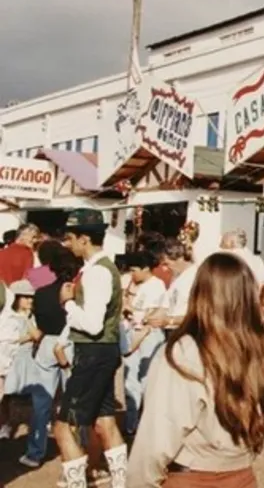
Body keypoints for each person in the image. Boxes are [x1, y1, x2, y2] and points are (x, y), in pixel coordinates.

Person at [127, 253, 264, 487]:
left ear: (200, 294)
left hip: (192, 476)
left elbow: (155, 443)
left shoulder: (185, 353)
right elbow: (262, 423)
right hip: (242, 476)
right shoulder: (263, 355)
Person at [53, 209, 128, 488]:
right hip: (104, 351)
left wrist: (67, 303)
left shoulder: (96, 272)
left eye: (70, 238)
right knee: (104, 421)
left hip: (93, 352)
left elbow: (93, 325)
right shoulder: (101, 268)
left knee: (63, 426)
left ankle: (75, 485)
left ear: (84, 239)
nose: (67, 243)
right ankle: (122, 483)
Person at [18, 243, 79, 468]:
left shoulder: (40, 289)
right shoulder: (72, 288)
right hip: (68, 341)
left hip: (45, 343)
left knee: (41, 401)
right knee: (72, 400)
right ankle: (75, 449)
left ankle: (35, 452)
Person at [121, 251, 169, 438]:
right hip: (134, 331)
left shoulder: (156, 286)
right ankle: (131, 423)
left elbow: (148, 318)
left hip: (148, 334)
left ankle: (147, 423)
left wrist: (129, 307)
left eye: (134, 270)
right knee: (130, 379)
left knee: (147, 379)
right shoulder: (140, 285)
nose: (132, 274)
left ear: (145, 269)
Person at [0, 280, 40, 436]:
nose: (29, 300)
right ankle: (5, 423)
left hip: (27, 359)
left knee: (32, 394)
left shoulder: (30, 316)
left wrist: (26, 320)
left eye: (31, 297)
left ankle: (35, 424)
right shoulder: (8, 317)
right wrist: (25, 336)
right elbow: (10, 338)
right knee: (5, 395)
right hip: (11, 359)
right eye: (25, 297)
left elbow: (36, 334)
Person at [219, 229, 264, 311]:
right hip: (250, 310)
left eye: (222, 242)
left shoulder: (226, 259)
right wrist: (263, 307)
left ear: (231, 243)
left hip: (229, 309)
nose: (220, 245)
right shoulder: (255, 260)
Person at [146, 239, 197, 334]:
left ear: (180, 258)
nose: (165, 269)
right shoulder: (177, 277)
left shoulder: (196, 276)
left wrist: (170, 320)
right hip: (171, 330)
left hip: (186, 331)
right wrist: (148, 318)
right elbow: (166, 306)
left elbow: (197, 315)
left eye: (167, 264)